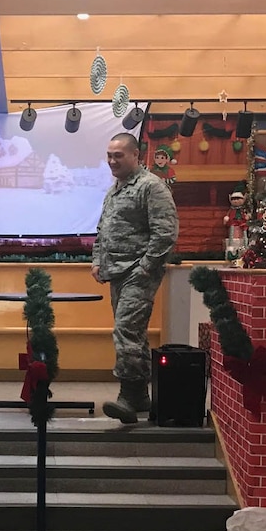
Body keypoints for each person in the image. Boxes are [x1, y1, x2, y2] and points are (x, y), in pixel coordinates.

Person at [91, 133, 179, 424]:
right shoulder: (114, 190)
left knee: (126, 331)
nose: (112, 161)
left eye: (118, 155)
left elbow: (165, 233)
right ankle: (141, 395)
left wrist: (145, 268)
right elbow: (103, 229)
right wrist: (97, 261)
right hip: (116, 272)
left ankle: (127, 397)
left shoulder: (151, 187)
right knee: (133, 333)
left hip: (138, 273)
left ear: (135, 156)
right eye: (109, 155)